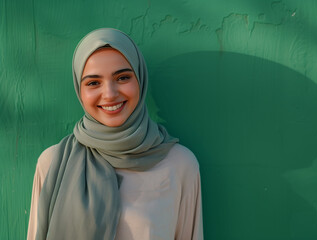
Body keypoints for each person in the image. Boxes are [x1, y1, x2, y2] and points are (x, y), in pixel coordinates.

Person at [27, 28, 203, 240]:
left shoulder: (180, 164)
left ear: (140, 79)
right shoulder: (52, 163)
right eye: (93, 83)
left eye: (123, 77)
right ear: (79, 90)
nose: (110, 94)